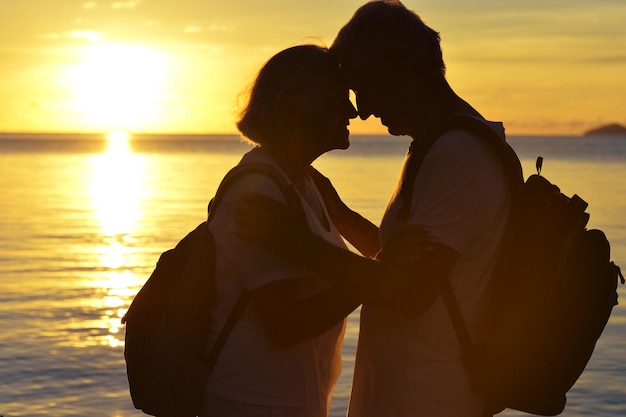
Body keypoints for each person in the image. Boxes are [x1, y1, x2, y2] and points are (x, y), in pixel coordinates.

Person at [235, 1, 514, 416]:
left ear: (401, 66)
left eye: (362, 86)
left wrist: (299, 243)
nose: (361, 109)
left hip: (430, 398)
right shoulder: (439, 144)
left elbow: (409, 291)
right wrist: (339, 214)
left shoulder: (458, 153)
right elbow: (402, 259)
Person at [200, 44, 362, 417]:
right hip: (254, 403)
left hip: (287, 401)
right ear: (292, 109)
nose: (352, 111)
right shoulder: (257, 189)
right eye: (339, 99)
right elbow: (285, 323)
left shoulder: (301, 182)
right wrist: (372, 282)